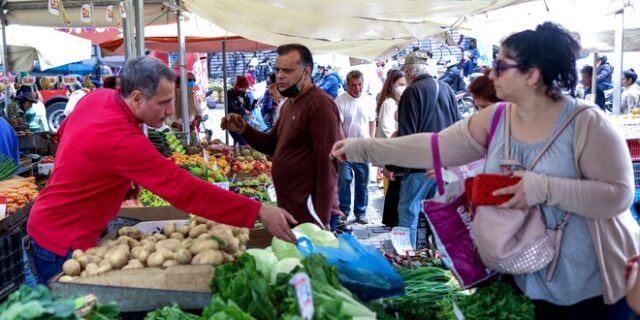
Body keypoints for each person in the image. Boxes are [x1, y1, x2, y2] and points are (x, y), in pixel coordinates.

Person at [331, 22, 639, 319]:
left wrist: (541, 187)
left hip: (590, 284)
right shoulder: (496, 119)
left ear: (532, 75)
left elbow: (619, 195)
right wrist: (364, 148)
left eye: (502, 66)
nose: (492, 73)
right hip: (521, 277)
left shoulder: (587, 123)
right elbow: (434, 146)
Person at [26, 56, 297, 284]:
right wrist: (257, 210)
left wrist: (109, 176)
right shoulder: (121, 138)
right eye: (164, 102)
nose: (170, 111)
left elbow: (65, 134)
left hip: (54, 225)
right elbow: (184, 190)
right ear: (136, 97)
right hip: (60, 243)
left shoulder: (97, 98)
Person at [221, 44, 342, 228]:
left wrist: (322, 223)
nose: (280, 76)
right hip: (290, 210)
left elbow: (328, 168)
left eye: (287, 70)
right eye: (277, 70)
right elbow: (272, 145)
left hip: (310, 217)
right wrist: (244, 129)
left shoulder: (320, 106)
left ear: (306, 72)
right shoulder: (289, 104)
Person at [396, 51, 461, 248]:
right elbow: (458, 126)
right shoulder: (447, 89)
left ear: (409, 72)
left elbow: (407, 134)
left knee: (409, 211)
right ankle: (443, 261)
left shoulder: (412, 91)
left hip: (420, 167)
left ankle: (407, 257)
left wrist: (392, 165)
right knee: (441, 214)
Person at [334, 70, 376, 224]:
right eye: (353, 85)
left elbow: (372, 121)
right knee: (344, 180)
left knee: (362, 181)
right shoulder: (340, 101)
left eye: (360, 85)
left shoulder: (369, 100)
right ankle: (344, 210)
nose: (357, 88)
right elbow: (338, 125)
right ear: (347, 84)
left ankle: (361, 211)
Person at [374, 69, 406, 227]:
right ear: (392, 84)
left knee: (393, 186)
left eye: (404, 84)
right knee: (393, 185)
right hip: (392, 150)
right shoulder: (389, 103)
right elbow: (387, 128)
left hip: (392, 150)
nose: (403, 87)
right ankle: (391, 219)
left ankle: (391, 219)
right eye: (400, 84)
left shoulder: (394, 101)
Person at [226, 76, 252, 145]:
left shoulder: (244, 94)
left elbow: (248, 105)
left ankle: (237, 152)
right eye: (243, 88)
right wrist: (243, 110)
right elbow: (231, 107)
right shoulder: (230, 93)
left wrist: (249, 108)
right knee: (242, 143)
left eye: (245, 88)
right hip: (233, 122)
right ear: (237, 86)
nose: (244, 90)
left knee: (240, 143)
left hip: (243, 122)